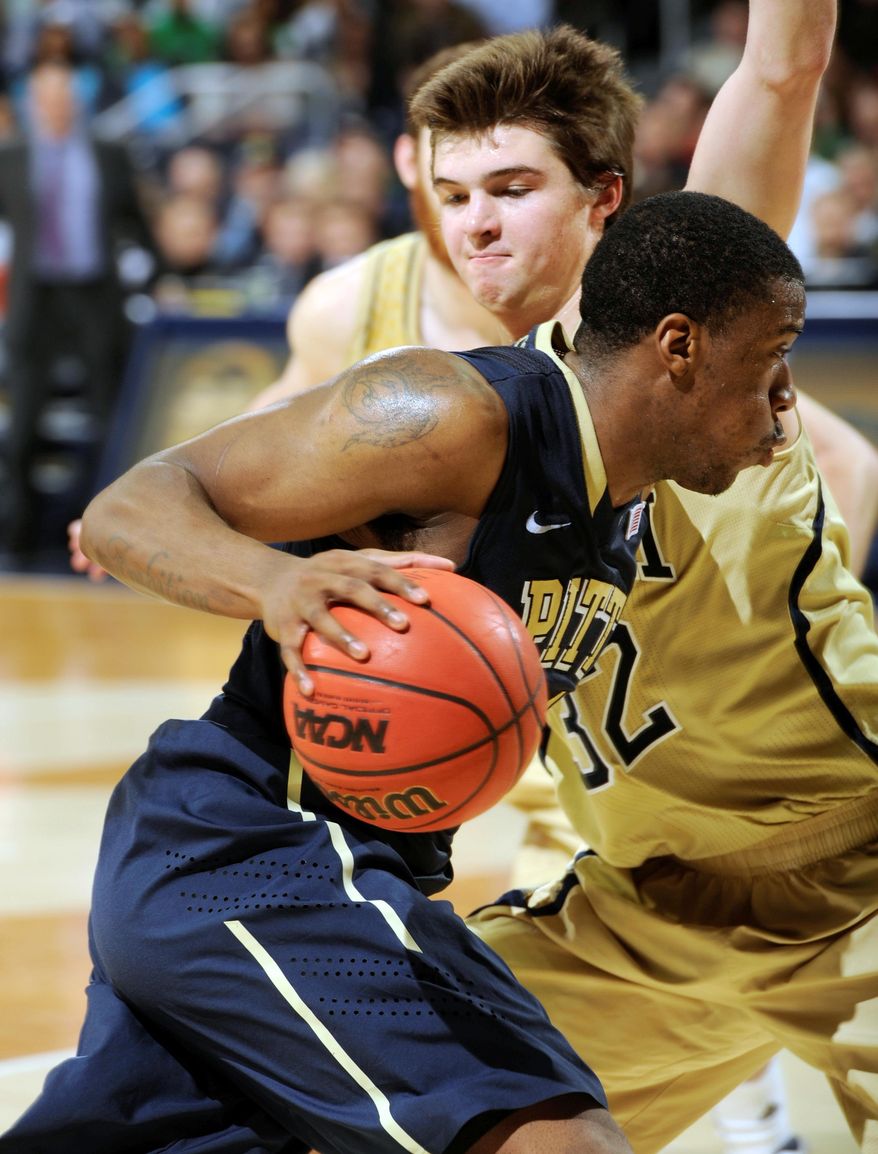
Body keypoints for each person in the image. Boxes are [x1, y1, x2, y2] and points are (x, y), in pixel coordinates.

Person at [0, 188, 803, 1154]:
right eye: (772, 357)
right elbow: (132, 506)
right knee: (564, 1139)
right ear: (680, 346)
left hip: (345, 876)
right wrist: (274, 583)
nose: (787, 395)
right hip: (249, 843)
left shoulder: (623, 519)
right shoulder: (461, 415)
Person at [403, 19, 878, 1154]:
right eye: (452, 191)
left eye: (511, 188)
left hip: (854, 867)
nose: (474, 223)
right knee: (413, 1099)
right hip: (645, 904)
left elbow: (781, 65)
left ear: (601, 200)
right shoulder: (457, 419)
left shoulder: (699, 319)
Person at [0, 60, 154, 565]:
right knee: (24, 420)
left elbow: (135, 219)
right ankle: (19, 540)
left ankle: (112, 536)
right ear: (31, 104)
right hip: (35, 297)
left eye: (65, 96)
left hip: (95, 294)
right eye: (46, 97)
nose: (57, 106)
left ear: (78, 101)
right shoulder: (12, 158)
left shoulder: (109, 154)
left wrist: (157, 272)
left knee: (112, 416)